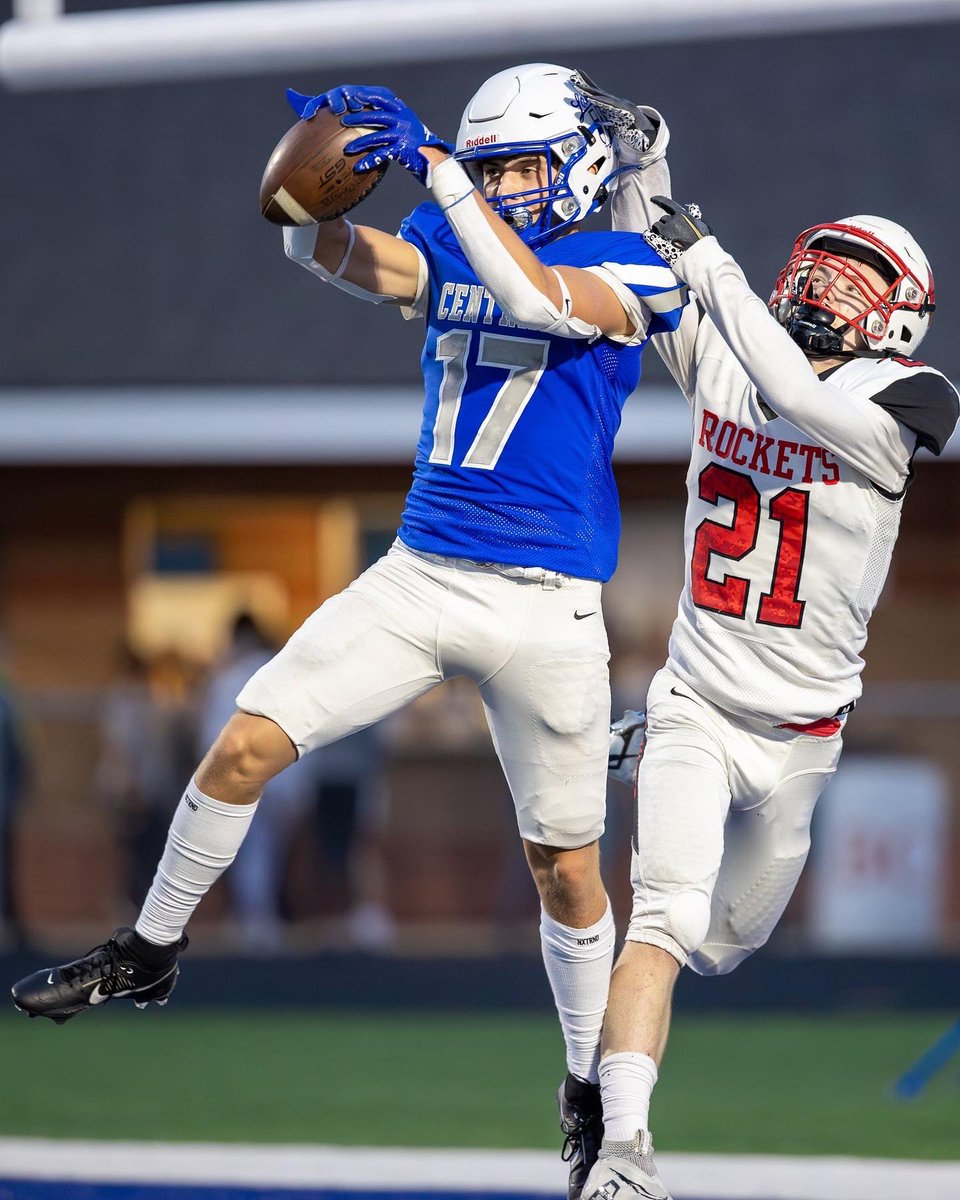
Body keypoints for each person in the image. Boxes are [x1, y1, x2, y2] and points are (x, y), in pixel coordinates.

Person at [11, 64, 686, 1199]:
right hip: (421, 572)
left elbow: (541, 304)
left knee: (566, 874)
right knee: (242, 746)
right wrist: (304, 198)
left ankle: (583, 1089)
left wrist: (436, 171)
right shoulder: (454, 228)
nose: (505, 184)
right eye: (492, 166)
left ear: (577, 161)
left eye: (522, 162)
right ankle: (150, 948)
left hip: (549, 601)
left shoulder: (631, 262)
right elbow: (338, 260)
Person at [564, 77, 960, 1200]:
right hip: (700, 695)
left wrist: (713, 260)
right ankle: (624, 1155)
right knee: (666, 919)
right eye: (823, 263)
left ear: (903, 314)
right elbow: (662, 264)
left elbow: (783, 381)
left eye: (859, 279)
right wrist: (651, 165)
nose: (828, 288)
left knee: (726, 943)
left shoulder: (910, 399)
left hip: (803, 735)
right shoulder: (734, 349)